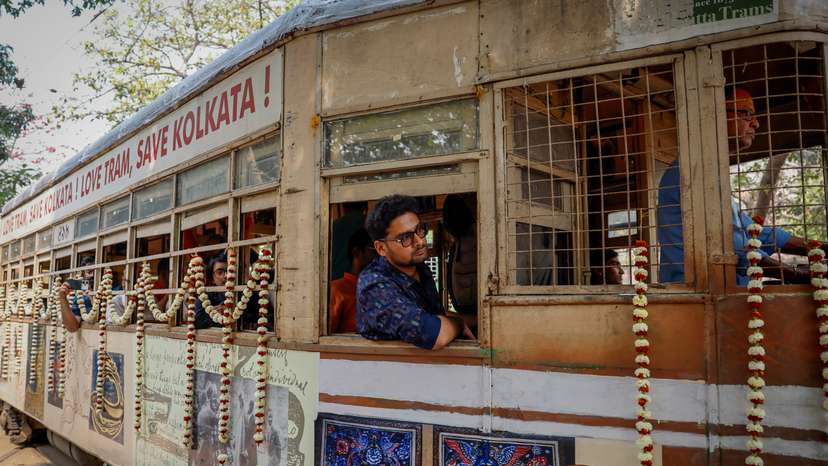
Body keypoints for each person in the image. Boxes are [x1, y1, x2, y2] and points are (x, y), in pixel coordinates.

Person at [658, 87, 809, 284]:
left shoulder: (712, 172)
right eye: (746, 114)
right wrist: (795, 274)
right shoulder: (693, 171)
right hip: (699, 293)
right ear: (715, 116)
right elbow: (735, 246)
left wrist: (816, 247)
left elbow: (756, 232)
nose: (756, 123)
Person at [357, 194, 473, 350]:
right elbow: (432, 334)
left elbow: (435, 315)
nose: (420, 241)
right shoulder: (374, 285)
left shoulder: (420, 268)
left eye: (420, 230)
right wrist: (459, 324)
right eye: (405, 238)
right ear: (381, 248)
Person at [329, 228, 375, 333]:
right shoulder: (336, 290)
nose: (382, 257)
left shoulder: (386, 290)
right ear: (357, 252)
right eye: (374, 250)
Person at [57, 256, 95, 333]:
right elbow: (72, 327)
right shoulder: (81, 297)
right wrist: (62, 298)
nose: (93, 275)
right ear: (84, 275)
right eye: (89, 272)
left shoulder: (114, 288)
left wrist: (92, 297)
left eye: (96, 271)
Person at [330, 202, 367, 281]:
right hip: (358, 279)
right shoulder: (368, 224)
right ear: (364, 206)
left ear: (343, 207)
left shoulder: (332, 226)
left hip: (334, 280)